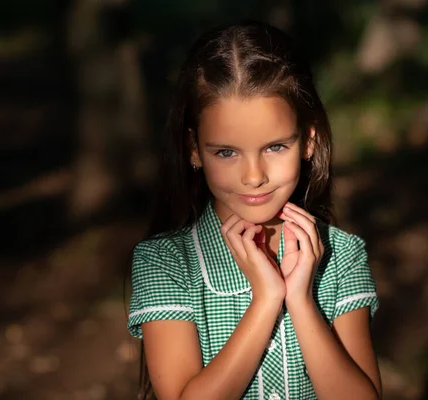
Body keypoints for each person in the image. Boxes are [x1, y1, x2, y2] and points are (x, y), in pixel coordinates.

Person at [126, 20, 382, 400]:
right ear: (194, 149)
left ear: (308, 141)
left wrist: (300, 301)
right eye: (226, 152)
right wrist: (265, 301)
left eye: (275, 147)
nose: (253, 177)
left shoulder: (341, 256)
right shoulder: (165, 263)